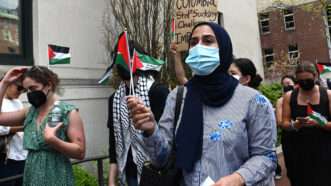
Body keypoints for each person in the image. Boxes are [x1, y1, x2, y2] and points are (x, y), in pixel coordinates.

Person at [127, 22, 277, 186]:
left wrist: (238, 178)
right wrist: (151, 130)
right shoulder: (177, 97)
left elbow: (266, 156)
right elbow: (161, 159)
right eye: (193, 42)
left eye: (208, 41)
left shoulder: (254, 101)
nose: (199, 47)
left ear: (224, 48)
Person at [0, 66, 86, 186]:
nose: (30, 93)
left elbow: (80, 152)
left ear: (49, 85)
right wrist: (4, 83)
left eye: (33, 88)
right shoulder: (29, 112)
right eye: (27, 90)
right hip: (32, 176)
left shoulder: (68, 112)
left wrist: (54, 140)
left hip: (57, 177)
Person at [108, 41, 169, 186]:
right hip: (128, 173)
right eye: (119, 57)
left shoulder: (158, 92)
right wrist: (111, 180)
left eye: (128, 57)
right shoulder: (114, 99)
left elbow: (167, 137)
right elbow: (113, 141)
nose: (123, 62)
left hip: (155, 172)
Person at [282, 63, 331, 186]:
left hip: (324, 149)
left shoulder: (328, 95)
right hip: (298, 149)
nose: (304, 83)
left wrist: (319, 123)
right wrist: (296, 125)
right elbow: (284, 123)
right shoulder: (289, 96)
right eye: (301, 80)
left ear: (315, 77)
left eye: (308, 80)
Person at [0, 80, 28, 186]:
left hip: (22, 153)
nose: (21, 92)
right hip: (6, 156)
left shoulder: (18, 102)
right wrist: (20, 128)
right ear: (8, 83)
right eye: (19, 88)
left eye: (24, 89)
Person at [274, 75, 295, 180]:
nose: (286, 86)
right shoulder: (280, 101)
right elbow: (279, 122)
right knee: (291, 167)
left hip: (304, 136)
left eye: (289, 83)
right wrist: (292, 124)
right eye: (284, 84)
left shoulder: (302, 97)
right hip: (288, 136)